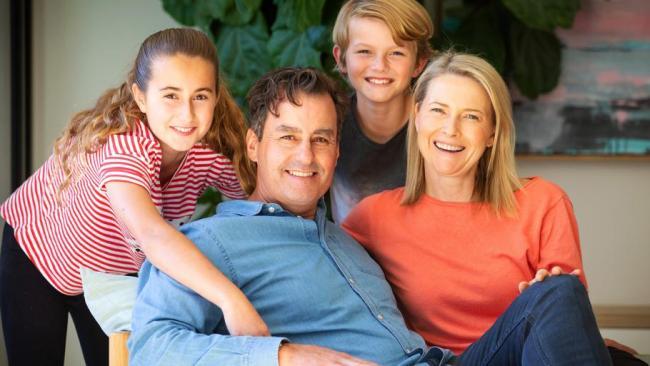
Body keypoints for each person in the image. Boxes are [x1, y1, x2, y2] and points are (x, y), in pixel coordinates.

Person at [129, 66, 611, 366]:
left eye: (321, 138)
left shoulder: (349, 235)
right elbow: (151, 349)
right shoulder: (209, 242)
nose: (306, 154)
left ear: (337, 152)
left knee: (558, 293)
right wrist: (285, 356)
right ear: (254, 146)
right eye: (288, 137)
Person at [343, 52, 639, 364]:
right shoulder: (373, 217)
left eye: (471, 116)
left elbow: (564, 317)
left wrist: (547, 302)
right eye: (438, 111)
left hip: (525, 357)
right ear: (417, 117)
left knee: (568, 300)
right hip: (444, 363)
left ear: (492, 133)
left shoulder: (544, 202)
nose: (451, 129)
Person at [0, 28, 269, 366]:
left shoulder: (211, 151)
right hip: (37, 254)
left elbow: (256, 208)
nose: (187, 115)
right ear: (141, 97)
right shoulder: (125, 146)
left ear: (216, 96)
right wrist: (232, 300)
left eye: (200, 96)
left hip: (110, 276)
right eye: (170, 95)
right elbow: (151, 233)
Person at [329, 0, 432, 223]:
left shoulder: (437, 129)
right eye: (365, 51)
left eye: (396, 53)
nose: (379, 66)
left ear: (419, 63)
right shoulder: (328, 124)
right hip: (346, 255)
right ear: (341, 58)